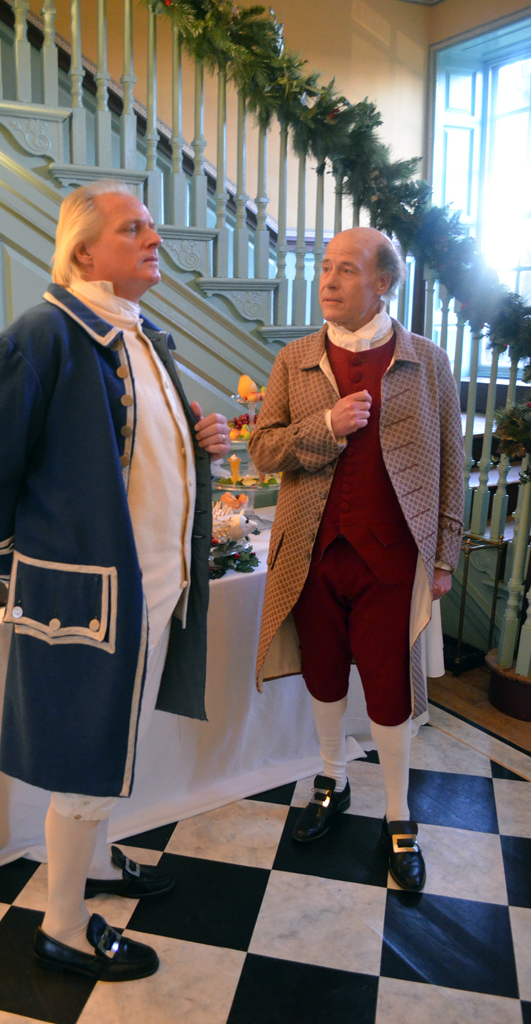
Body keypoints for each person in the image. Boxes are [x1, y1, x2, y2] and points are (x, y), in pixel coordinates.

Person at [0, 180, 230, 980]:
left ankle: (95, 861)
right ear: (83, 252)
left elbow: (128, 451)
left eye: (151, 226)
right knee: (83, 754)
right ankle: (63, 926)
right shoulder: (40, 339)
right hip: (91, 599)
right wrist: (23, 571)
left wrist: (195, 437)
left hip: (152, 587)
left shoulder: (140, 335)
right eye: (133, 227)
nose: (154, 238)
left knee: (110, 741)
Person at [249, 227, 463, 891]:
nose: (329, 281)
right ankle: (331, 779)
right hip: (311, 555)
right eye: (324, 268)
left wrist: (446, 556)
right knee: (322, 675)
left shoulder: (428, 362)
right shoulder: (295, 359)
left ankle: (399, 814)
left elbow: (452, 463)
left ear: (383, 283)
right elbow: (263, 451)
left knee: (390, 689)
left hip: (393, 561)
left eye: (346, 270)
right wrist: (326, 428)